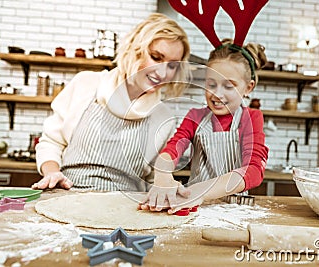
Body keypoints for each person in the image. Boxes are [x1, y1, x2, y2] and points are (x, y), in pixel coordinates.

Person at [31, 13, 191, 191]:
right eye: (155, 57)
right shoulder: (87, 84)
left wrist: (165, 187)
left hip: (126, 208)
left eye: (172, 66)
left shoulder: (164, 118)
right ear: (135, 50)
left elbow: (155, 179)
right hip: (67, 194)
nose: (162, 73)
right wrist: (52, 172)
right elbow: (51, 142)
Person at [139, 39, 269, 213]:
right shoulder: (196, 116)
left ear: (248, 88)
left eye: (229, 86)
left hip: (235, 210)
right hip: (193, 207)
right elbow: (172, 149)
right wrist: (162, 176)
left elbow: (254, 170)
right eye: (211, 84)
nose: (217, 94)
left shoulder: (251, 118)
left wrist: (199, 192)